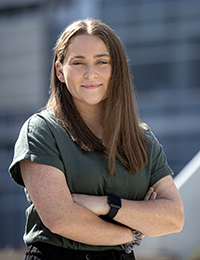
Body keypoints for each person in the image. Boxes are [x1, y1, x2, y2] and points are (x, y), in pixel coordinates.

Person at [9, 18, 184, 260]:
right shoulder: (41, 131)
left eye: (102, 62)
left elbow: (173, 218)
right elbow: (61, 219)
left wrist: (106, 204)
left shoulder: (141, 137)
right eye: (78, 62)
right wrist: (133, 231)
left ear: (116, 69)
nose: (91, 74)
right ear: (60, 71)